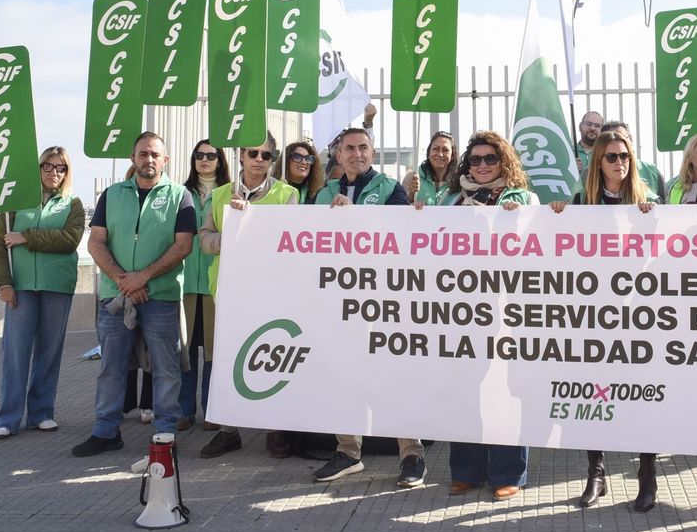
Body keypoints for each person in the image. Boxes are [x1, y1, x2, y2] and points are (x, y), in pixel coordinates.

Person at [309, 127, 428, 486]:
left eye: (363, 148)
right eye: (350, 149)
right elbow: (309, 237)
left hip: (382, 300)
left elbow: (398, 235)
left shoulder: (390, 189)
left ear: (372, 154)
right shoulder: (323, 193)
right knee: (344, 377)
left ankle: (412, 454)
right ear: (339, 155)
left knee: (395, 378)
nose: (356, 154)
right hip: (339, 298)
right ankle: (347, 452)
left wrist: (355, 214)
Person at [548, 129, 660, 510]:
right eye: (611, 157)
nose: (619, 163)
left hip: (639, 315)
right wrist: (560, 217)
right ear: (599, 162)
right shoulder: (582, 203)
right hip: (595, 315)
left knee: (643, 397)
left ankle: (647, 476)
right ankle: (596, 474)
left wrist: (653, 221)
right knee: (594, 395)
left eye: (625, 156)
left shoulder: (650, 202)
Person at [72, 132, 196, 457]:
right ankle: (105, 431)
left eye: (155, 154)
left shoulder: (180, 197)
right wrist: (123, 280)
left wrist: (143, 278)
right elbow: (95, 241)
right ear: (133, 158)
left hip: (162, 297)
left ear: (165, 160)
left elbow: (183, 244)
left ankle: (165, 433)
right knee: (112, 367)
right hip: (116, 298)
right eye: (143, 153)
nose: (149, 159)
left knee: (166, 367)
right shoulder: (112, 195)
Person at [434, 131, 535, 500]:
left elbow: (540, 238)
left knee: (504, 392)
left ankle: (508, 473)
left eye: (490, 158)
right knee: (463, 388)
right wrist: (417, 215)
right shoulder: (453, 200)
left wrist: (523, 216)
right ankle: (466, 470)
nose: (481, 166)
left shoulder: (522, 198)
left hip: (507, 307)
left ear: (503, 161)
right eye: (474, 159)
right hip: (461, 309)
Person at [197, 135, 299, 458]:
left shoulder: (287, 195)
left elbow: (288, 242)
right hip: (227, 292)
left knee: (272, 357)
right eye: (253, 153)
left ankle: (275, 429)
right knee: (227, 361)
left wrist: (250, 221)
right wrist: (232, 230)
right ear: (241, 156)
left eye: (266, 155)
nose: (259, 160)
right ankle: (229, 430)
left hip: (270, 293)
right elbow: (204, 239)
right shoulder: (219, 195)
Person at [0, 146, 86, 439]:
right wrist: (4, 283)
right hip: (21, 286)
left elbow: (69, 240)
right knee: (15, 352)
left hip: (57, 286)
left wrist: (26, 237)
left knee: (48, 351)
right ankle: (8, 418)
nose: (54, 172)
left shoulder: (74, 204)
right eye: (48, 166)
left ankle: (41, 413)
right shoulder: (15, 204)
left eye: (61, 168)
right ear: (38, 167)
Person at [178, 139, 227, 432]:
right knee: (185, 350)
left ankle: (213, 409)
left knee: (214, 352)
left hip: (215, 283)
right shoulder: (180, 193)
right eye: (199, 155)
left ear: (220, 160)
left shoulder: (228, 193)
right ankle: (184, 410)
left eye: (211, 155)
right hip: (184, 283)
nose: (204, 160)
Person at [599, 120, 666, 200]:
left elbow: (664, 206)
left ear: (630, 140)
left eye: (622, 138)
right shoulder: (588, 174)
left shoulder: (652, 171)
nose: (619, 162)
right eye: (611, 139)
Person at [403, 130, 457, 207]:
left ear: (452, 156)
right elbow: (400, 211)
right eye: (436, 149)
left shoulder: (459, 182)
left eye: (445, 150)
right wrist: (411, 196)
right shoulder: (412, 178)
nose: (440, 154)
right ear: (428, 153)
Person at [281, 138, 325, 205]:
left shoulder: (319, 193)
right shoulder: (274, 190)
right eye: (297, 157)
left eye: (308, 158)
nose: (304, 162)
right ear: (286, 161)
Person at [573, 110, 603, 174]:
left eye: (597, 125)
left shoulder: (606, 154)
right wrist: (569, 169)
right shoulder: (568, 152)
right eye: (588, 124)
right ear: (580, 126)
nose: (592, 128)